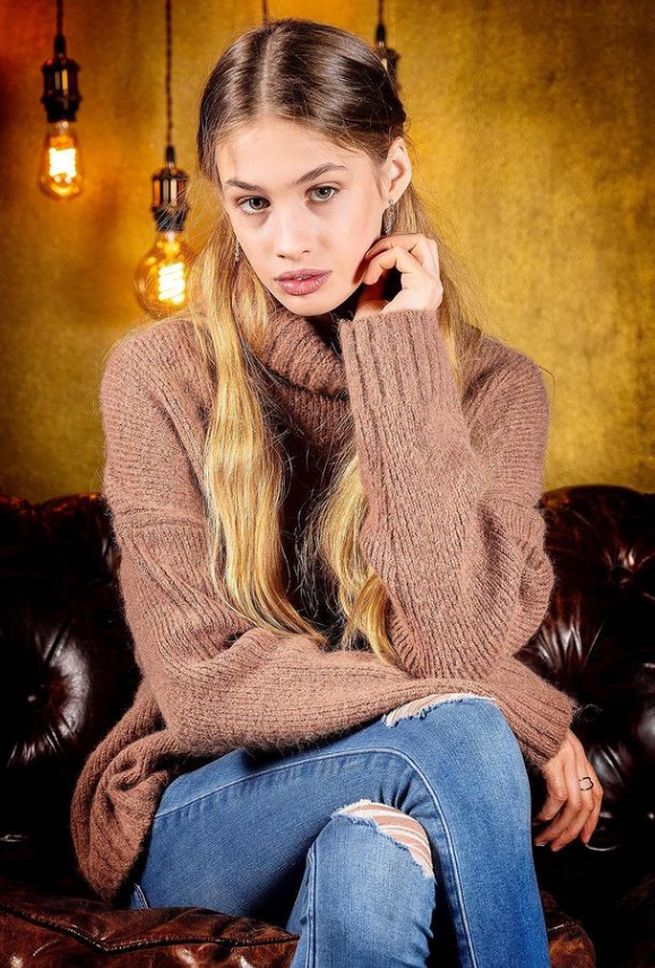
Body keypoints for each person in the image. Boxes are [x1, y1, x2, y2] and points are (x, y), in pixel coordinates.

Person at [70, 17, 603, 967]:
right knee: (461, 732)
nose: (288, 241)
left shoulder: (498, 391)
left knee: (374, 862)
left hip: (391, 791)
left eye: (322, 191)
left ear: (390, 172)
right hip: (208, 810)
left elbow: (451, 639)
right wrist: (511, 707)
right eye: (252, 203)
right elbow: (202, 686)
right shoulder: (158, 374)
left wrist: (396, 355)